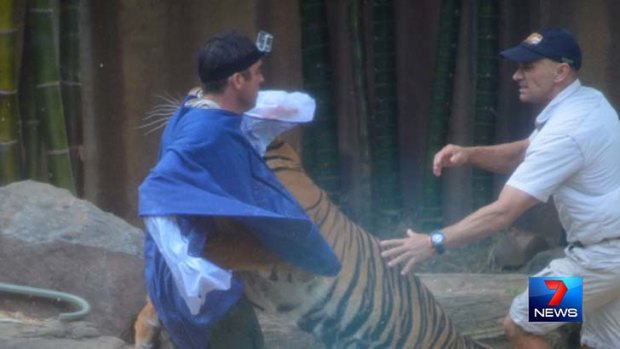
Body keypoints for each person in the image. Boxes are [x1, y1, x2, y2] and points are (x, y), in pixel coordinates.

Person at [380, 28, 620, 349]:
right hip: (609, 261)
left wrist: (434, 241)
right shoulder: (588, 102)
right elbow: (525, 152)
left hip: (600, 262)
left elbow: (504, 212)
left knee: (521, 322)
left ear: (561, 72)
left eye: (528, 67)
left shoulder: (566, 133)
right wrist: (470, 154)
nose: (516, 76)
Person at [138, 30, 340, 349]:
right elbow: (155, 189)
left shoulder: (194, 108)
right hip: (199, 284)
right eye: (257, 74)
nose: (262, 80)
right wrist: (187, 266)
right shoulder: (207, 135)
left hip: (185, 278)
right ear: (236, 80)